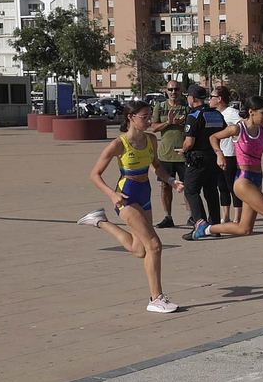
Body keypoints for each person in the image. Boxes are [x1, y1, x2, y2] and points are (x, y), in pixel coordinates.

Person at [77, 101, 185, 313]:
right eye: (144, 116)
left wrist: (171, 181)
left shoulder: (151, 139)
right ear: (131, 117)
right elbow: (94, 175)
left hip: (144, 193)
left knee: (139, 249)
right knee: (154, 245)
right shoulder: (119, 144)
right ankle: (156, 298)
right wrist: (112, 194)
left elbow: (156, 167)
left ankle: (99, 221)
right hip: (126, 195)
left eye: (148, 116)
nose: (148, 120)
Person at [190, 97, 263, 281]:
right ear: (251, 111)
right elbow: (214, 137)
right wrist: (219, 154)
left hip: (257, 179)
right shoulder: (238, 128)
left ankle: (205, 229)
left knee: (245, 229)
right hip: (243, 181)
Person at [178, 84, 224, 232]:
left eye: (188, 97)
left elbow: (189, 142)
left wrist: (183, 149)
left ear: (192, 98)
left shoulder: (193, 116)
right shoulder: (216, 114)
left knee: (191, 190)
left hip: (198, 159)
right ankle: (215, 226)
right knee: (211, 191)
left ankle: (200, 224)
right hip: (214, 156)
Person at [150, 82, 188, 227]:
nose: (173, 92)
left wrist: (181, 123)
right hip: (166, 154)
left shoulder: (187, 107)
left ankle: (191, 216)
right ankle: (168, 217)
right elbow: (153, 127)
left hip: (184, 153)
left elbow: (194, 127)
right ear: (166, 91)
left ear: (180, 90)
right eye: (170, 89)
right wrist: (169, 122)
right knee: (165, 186)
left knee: (188, 187)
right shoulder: (160, 107)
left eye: (176, 89)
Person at [210, 86, 241, 222]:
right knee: (221, 186)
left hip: (230, 154)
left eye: (212, 97)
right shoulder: (213, 113)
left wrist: (233, 136)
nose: (209, 99)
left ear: (219, 99)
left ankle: (237, 218)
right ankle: (225, 216)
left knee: (232, 186)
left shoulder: (231, 113)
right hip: (217, 154)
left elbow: (242, 126)